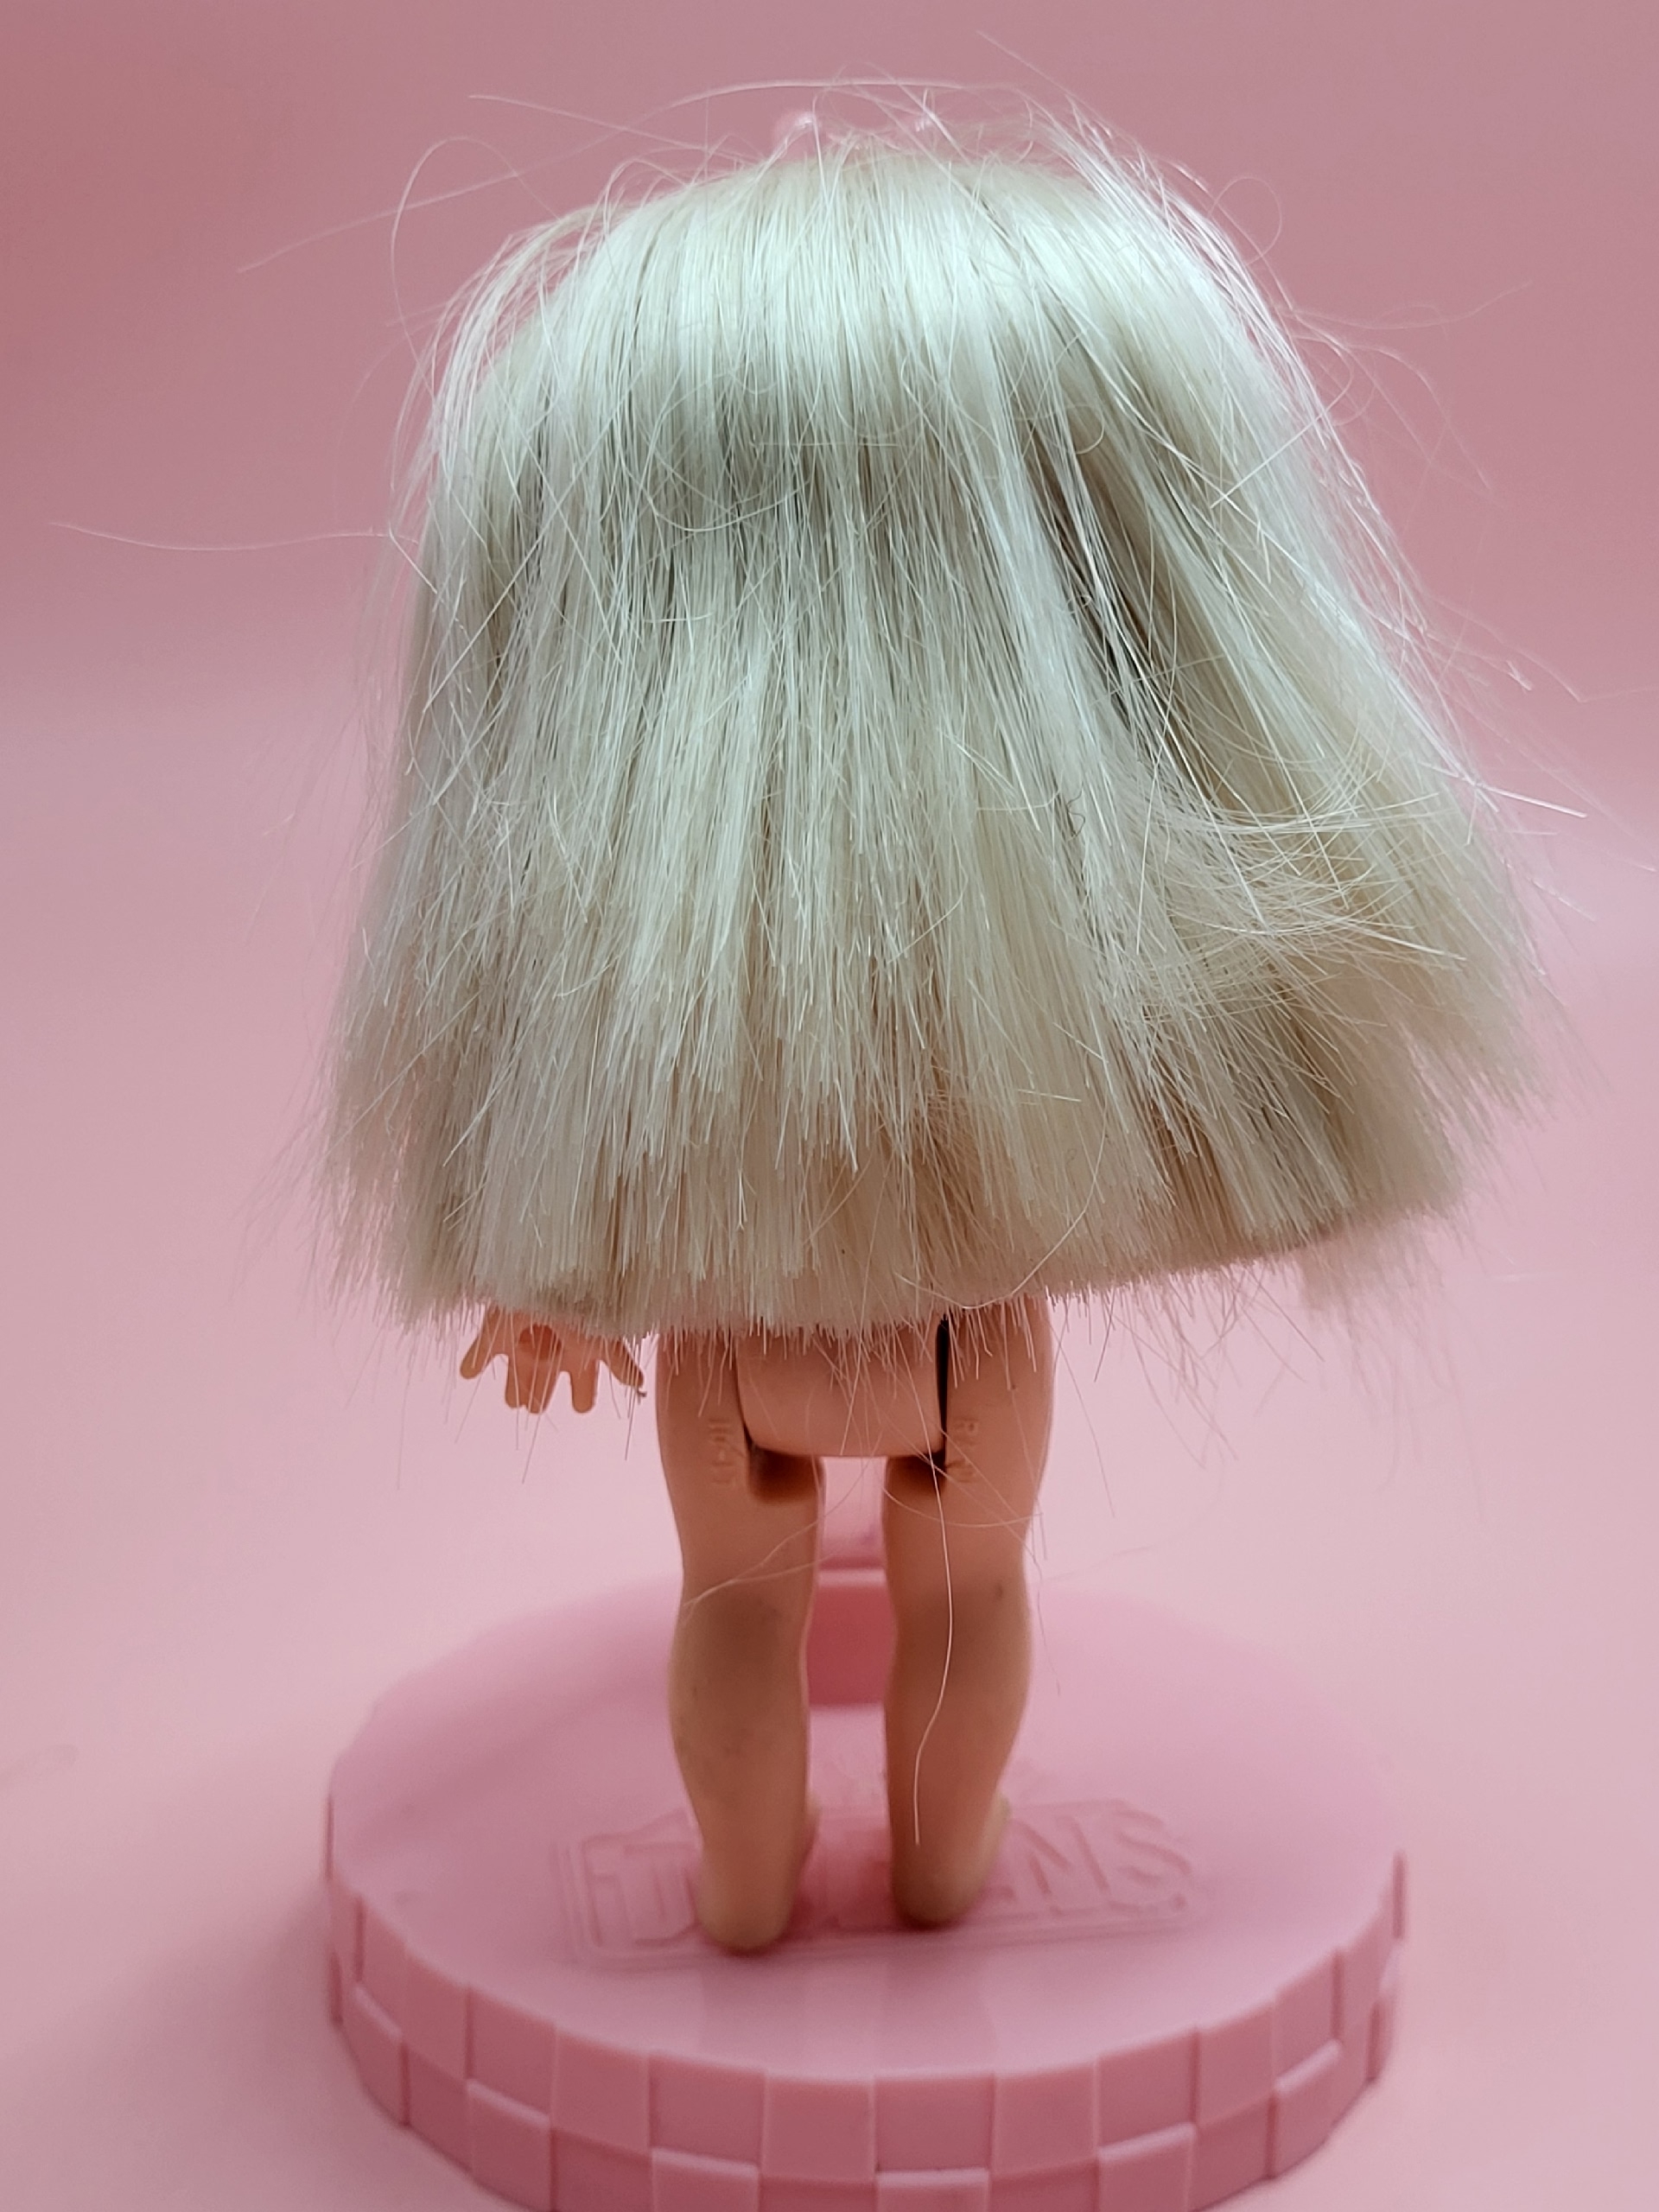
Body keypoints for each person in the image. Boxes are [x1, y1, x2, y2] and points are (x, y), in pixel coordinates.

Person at [327, 115, 1530, 1949]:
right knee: (968, 1596)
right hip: (974, 1340)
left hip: (733, 1346)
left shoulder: (640, 926)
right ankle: (944, 1871)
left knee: (737, 1603)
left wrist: (539, 1263)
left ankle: (745, 1895)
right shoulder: (1085, 921)